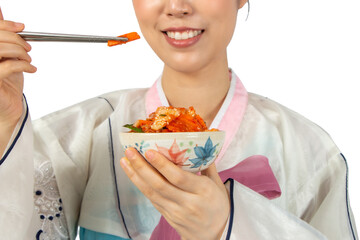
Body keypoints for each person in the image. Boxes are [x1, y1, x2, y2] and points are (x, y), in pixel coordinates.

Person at [0, 0, 358, 239]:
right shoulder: (83, 133)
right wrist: (5, 120)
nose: (176, 6)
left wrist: (229, 226)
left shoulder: (308, 149)